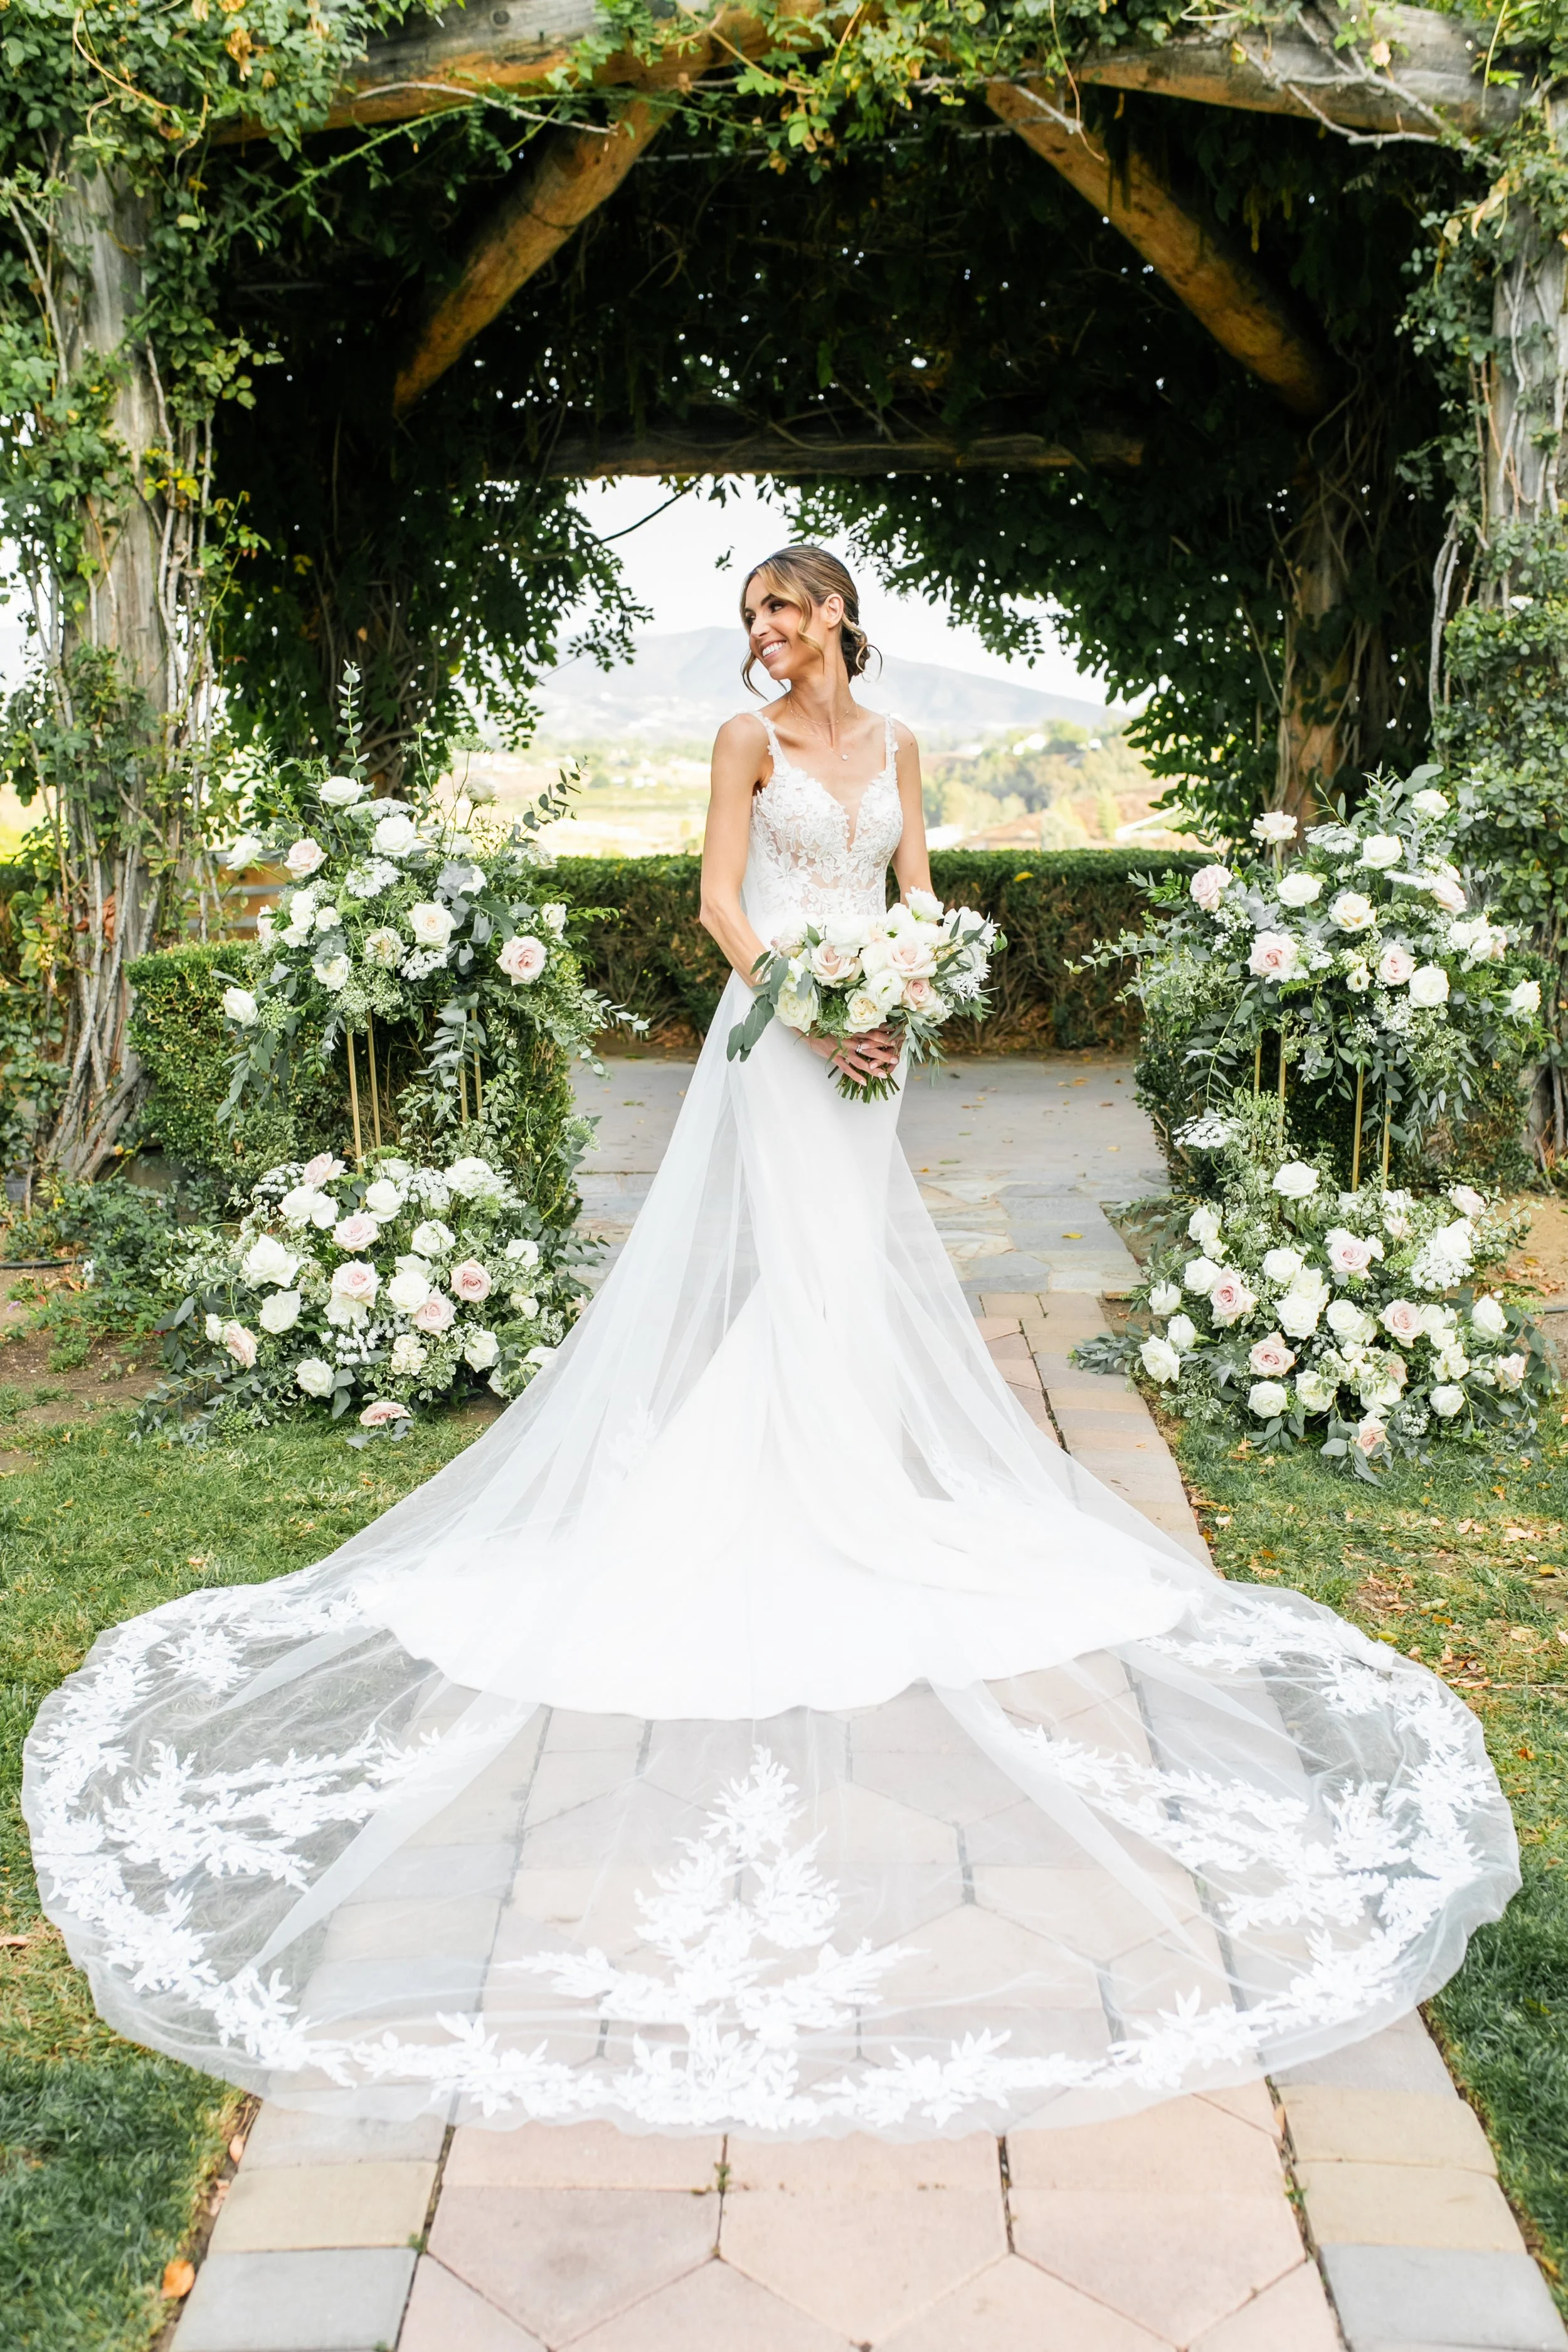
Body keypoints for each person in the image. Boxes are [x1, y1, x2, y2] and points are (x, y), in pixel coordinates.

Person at [23, 545, 1517, 2141]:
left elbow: (916, 882)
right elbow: (718, 902)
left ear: (838, 621)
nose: (765, 635)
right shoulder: (746, 747)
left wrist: (917, 967)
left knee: (850, 1276)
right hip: (784, 1041)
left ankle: (843, 1475)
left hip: (877, 1046)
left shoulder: (897, 744)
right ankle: (782, 1496)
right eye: (749, 615)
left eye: (784, 612)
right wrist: (807, 1006)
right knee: (796, 1264)